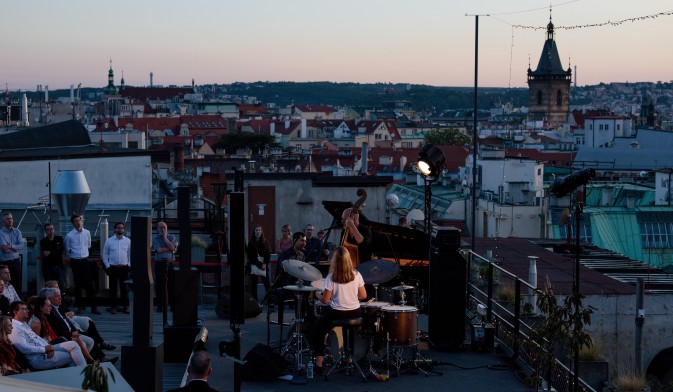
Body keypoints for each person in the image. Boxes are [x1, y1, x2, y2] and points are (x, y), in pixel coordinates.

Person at [312, 247, 367, 374]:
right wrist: (352, 299)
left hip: (337, 313)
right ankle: (350, 359)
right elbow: (363, 295)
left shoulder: (331, 277)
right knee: (350, 330)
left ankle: (319, 363)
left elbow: (326, 300)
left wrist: (317, 295)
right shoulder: (357, 274)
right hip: (355, 312)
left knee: (319, 330)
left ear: (335, 261)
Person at [8, 301, 86, 370]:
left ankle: (79, 375)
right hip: (38, 358)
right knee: (72, 355)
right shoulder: (15, 328)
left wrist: (49, 348)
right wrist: (45, 349)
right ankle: (84, 376)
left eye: (26, 309)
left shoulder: (23, 324)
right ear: (15, 312)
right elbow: (24, 348)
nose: (27, 311)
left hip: (44, 350)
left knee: (73, 344)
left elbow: (37, 339)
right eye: (24, 309)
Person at [39, 285, 115, 353]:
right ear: (49, 298)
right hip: (66, 335)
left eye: (60, 295)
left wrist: (74, 330)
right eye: (57, 296)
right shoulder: (50, 311)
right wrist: (72, 333)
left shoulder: (58, 307)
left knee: (89, 331)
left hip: (70, 328)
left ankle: (99, 354)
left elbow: (67, 319)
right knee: (89, 340)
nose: (60, 298)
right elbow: (57, 330)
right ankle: (90, 360)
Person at [28, 296, 97, 364]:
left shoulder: (42, 316)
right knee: (74, 344)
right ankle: (88, 362)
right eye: (48, 306)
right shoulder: (36, 322)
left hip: (49, 342)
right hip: (45, 346)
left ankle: (88, 361)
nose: (51, 308)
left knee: (77, 340)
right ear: (41, 308)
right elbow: (36, 341)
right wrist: (48, 350)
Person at [64, 214, 99, 314]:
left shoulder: (87, 233)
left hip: (85, 260)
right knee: (77, 285)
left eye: (79, 220)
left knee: (89, 284)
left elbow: (88, 245)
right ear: (73, 223)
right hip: (75, 261)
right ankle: (80, 306)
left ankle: (94, 307)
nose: (78, 222)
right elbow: (67, 249)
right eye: (75, 221)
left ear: (82, 221)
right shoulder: (69, 236)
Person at [102, 222, 131, 314]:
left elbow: (130, 254)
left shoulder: (128, 241)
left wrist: (129, 265)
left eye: (122, 228)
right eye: (118, 228)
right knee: (113, 289)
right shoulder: (109, 241)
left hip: (124, 268)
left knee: (124, 289)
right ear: (114, 229)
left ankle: (125, 307)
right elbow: (104, 255)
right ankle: (113, 307)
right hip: (113, 268)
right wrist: (107, 266)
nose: (120, 229)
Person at [152, 221, 178, 313]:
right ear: (157, 229)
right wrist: (171, 248)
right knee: (159, 285)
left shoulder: (172, 237)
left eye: (164, 227)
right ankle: (160, 306)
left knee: (172, 285)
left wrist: (165, 238)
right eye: (161, 227)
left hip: (170, 264)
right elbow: (159, 250)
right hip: (159, 264)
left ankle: (173, 306)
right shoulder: (155, 238)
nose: (163, 229)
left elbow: (173, 247)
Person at [39, 223, 67, 294]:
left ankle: (61, 302)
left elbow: (60, 251)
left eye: (52, 229)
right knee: (49, 287)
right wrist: (55, 251)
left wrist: (50, 253)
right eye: (48, 229)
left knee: (62, 286)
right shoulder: (43, 241)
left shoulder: (59, 239)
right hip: (48, 268)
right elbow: (45, 253)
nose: (50, 231)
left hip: (59, 267)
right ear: (45, 231)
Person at [0, 213, 23, 295]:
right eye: (7, 219)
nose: (10, 220)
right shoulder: (1, 233)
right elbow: (4, 249)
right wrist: (15, 247)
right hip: (5, 263)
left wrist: (10, 246)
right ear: (3, 221)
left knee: (17, 283)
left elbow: (21, 246)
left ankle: (18, 303)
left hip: (16, 262)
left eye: (11, 218)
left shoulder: (17, 231)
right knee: (5, 283)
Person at [246, 224, 270, 302]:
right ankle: (254, 302)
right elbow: (251, 256)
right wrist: (260, 264)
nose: (258, 231)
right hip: (255, 265)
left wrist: (265, 264)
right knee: (254, 285)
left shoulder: (265, 241)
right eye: (256, 230)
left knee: (267, 284)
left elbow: (268, 254)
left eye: (259, 230)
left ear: (261, 231)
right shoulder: (251, 242)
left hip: (264, 265)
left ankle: (270, 302)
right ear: (254, 231)